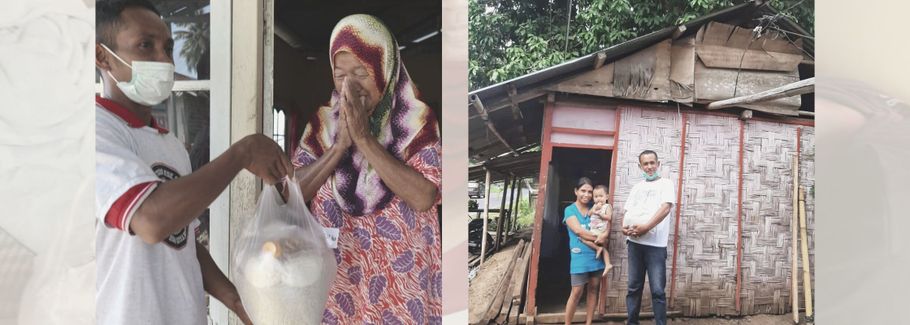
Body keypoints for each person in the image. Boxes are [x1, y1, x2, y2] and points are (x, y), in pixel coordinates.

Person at [94, 1, 292, 324]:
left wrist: (237, 302)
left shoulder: (169, 145)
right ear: (102, 56)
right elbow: (152, 221)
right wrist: (242, 153)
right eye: (146, 45)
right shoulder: (95, 132)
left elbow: (182, 240)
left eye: (168, 47)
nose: (164, 59)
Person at [289, 14, 442, 323]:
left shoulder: (417, 121)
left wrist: (364, 138)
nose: (350, 85)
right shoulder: (322, 125)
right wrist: (338, 148)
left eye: (361, 71)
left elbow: (425, 196)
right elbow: (289, 191)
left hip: (401, 285)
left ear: (385, 69)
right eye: (340, 73)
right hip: (339, 282)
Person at [621, 150, 675, 325]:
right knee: (633, 287)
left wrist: (646, 227)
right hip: (635, 244)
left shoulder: (666, 184)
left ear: (658, 164)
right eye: (646, 164)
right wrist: (624, 228)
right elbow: (628, 212)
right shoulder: (637, 187)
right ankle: (632, 322)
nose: (650, 167)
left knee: (658, 290)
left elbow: (666, 208)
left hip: (656, 246)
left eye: (653, 163)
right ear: (640, 167)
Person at [563, 177, 605, 325]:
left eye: (589, 192)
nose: (586, 195)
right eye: (583, 191)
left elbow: (606, 225)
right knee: (576, 293)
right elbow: (578, 231)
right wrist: (599, 237)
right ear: (576, 191)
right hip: (579, 257)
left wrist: (604, 235)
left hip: (596, 256)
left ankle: (588, 323)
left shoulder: (596, 208)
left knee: (593, 290)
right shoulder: (570, 210)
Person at [590, 184, 613, 276]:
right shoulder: (594, 205)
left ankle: (607, 263)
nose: (598, 199)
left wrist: (601, 215)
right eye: (596, 196)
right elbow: (589, 214)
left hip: (600, 230)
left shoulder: (607, 206)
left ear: (606, 196)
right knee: (582, 239)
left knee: (583, 238)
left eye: (601, 196)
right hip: (593, 229)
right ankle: (607, 264)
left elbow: (609, 217)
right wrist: (594, 209)